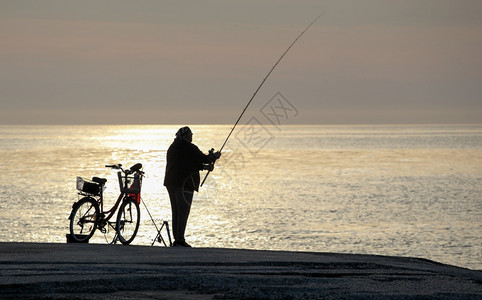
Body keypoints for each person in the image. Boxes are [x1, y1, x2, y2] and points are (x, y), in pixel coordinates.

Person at [164, 126, 221, 247]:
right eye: (190, 134)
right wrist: (214, 156)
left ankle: (177, 239)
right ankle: (180, 240)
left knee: (176, 211)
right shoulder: (189, 147)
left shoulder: (173, 147)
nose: (192, 136)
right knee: (184, 211)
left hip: (170, 183)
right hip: (184, 184)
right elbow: (204, 159)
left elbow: (189, 163)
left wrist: (205, 167)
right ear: (186, 136)